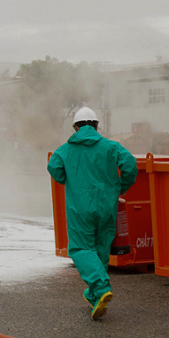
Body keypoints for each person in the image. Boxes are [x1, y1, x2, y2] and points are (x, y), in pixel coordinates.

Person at [47, 107, 137, 320]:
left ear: (76, 127)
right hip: (107, 206)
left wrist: (67, 179)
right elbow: (130, 165)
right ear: (96, 126)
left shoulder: (64, 150)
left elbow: (54, 168)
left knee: (80, 248)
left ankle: (101, 286)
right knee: (100, 249)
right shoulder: (111, 147)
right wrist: (121, 186)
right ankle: (95, 295)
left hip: (80, 207)